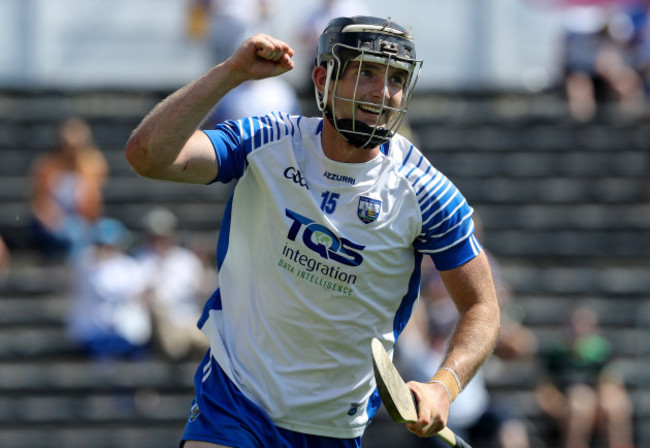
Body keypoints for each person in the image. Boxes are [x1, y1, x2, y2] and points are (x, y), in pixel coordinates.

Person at [125, 16, 501, 447]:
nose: (383, 93)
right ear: (324, 77)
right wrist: (231, 74)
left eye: (396, 78)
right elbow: (147, 156)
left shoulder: (427, 193)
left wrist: (444, 386)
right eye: (367, 72)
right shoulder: (266, 140)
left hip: (333, 427)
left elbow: (481, 306)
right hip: (235, 400)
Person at [397, 235, 535, 448]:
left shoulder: (462, 343)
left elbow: (522, 346)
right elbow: (413, 316)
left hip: (476, 411)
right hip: (438, 417)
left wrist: (498, 314)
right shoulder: (417, 347)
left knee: (510, 423)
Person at [535, 305, 635, 448]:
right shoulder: (556, 354)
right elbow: (545, 390)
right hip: (569, 405)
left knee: (614, 405)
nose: (578, 330)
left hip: (598, 404)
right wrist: (558, 406)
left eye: (584, 325)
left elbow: (610, 382)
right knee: (580, 401)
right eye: (575, 325)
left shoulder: (600, 351)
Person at [66, 217, 151, 360]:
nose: (105, 249)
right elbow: (101, 286)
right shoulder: (85, 263)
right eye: (100, 244)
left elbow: (141, 294)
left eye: (109, 245)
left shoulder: (130, 266)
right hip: (93, 333)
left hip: (127, 332)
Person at [134, 207, 209, 362]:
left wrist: (204, 270)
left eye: (164, 236)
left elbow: (201, 290)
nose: (160, 242)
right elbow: (137, 296)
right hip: (161, 325)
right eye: (155, 237)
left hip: (189, 319)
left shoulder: (187, 259)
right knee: (159, 310)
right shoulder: (140, 260)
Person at [29, 118, 108, 261]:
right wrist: (55, 220)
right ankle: (76, 274)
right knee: (74, 235)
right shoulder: (47, 165)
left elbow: (94, 203)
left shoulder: (94, 164)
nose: (71, 151)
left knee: (106, 232)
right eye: (67, 145)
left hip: (80, 221)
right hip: (50, 221)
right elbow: (39, 202)